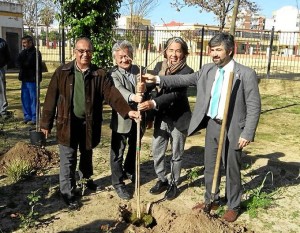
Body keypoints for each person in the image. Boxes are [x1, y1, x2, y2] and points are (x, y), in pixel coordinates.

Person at [141, 32, 261, 222]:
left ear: (231, 50)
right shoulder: (207, 70)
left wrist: (247, 132)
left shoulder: (245, 74)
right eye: (212, 50)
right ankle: (210, 199)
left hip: (233, 128)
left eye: (219, 50)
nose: (214, 54)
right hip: (213, 123)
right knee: (210, 165)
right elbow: (184, 80)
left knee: (231, 167)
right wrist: (157, 80)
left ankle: (233, 204)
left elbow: (254, 106)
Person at [40, 37, 140, 210]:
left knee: (87, 154)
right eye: (81, 51)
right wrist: (45, 123)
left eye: (88, 51)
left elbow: (112, 95)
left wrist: (127, 111)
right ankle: (68, 193)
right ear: (75, 52)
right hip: (67, 124)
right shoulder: (62, 72)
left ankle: (86, 181)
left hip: (89, 124)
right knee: (68, 159)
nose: (85, 54)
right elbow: (50, 98)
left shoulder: (99, 74)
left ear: (91, 53)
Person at [138, 37, 194, 200]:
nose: (174, 54)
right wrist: (143, 84)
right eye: (171, 50)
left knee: (176, 153)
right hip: (161, 118)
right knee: (157, 150)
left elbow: (175, 94)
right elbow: (150, 85)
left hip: (179, 119)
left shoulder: (187, 72)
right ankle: (162, 179)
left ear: (184, 53)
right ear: (165, 51)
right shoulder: (158, 66)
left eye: (178, 50)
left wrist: (153, 103)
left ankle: (174, 183)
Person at [109, 40, 152, 200]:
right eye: (120, 57)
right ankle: (118, 183)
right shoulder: (113, 74)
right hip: (122, 119)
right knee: (117, 153)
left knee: (135, 148)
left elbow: (149, 91)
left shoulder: (139, 70)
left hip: (139, 119)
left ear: (132, 56)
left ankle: (129, 170)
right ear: (115, 58)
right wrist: (134, 95)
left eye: (127, 56)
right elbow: (118, 91)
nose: (124, 60)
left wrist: (144, 87)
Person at [17, 35, 42, 125]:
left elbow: (29, 63)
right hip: (25, 78)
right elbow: (18, 62)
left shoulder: (36, 53)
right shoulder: (23, 53)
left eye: (25, 43)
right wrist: (22, 64)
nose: (23, 45)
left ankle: (35, 117)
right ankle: (27, 116)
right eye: (22, 43)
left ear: (30, 43)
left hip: (33, 79)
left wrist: (24, 64)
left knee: (33, 99)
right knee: (25, 98)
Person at [0, 37, 11, 119]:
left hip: (0, 69)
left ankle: (3, 111)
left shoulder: (2, 43)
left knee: (2, 90)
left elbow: (8, 56)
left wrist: (2, 64)